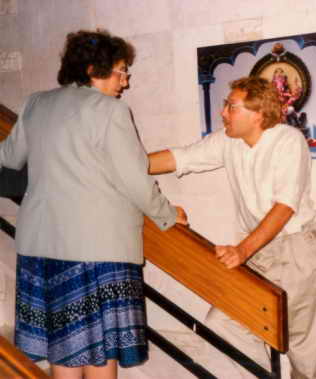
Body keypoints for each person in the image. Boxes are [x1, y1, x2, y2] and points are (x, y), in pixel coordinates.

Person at [0, 30, 187, 379]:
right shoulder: (110, 111)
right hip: (97, 251)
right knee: (100, 355)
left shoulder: (36, 103)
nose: (126, 81)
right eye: (120, 70)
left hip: (42, 250)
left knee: (64, 351)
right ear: (93, 69)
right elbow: (134, 179)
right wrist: (167, 214)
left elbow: (8, 157)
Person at [148, 76, 316, 378]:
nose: (223, 113)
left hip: (297, 250)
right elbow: (180, 157)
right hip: (259, 252)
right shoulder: (228, 141)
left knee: (305, 352)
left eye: (231, 107)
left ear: (258, 114)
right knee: (224, 323)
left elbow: (284, 207)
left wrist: (242, 250)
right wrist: (129, 165)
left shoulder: (288, 140)